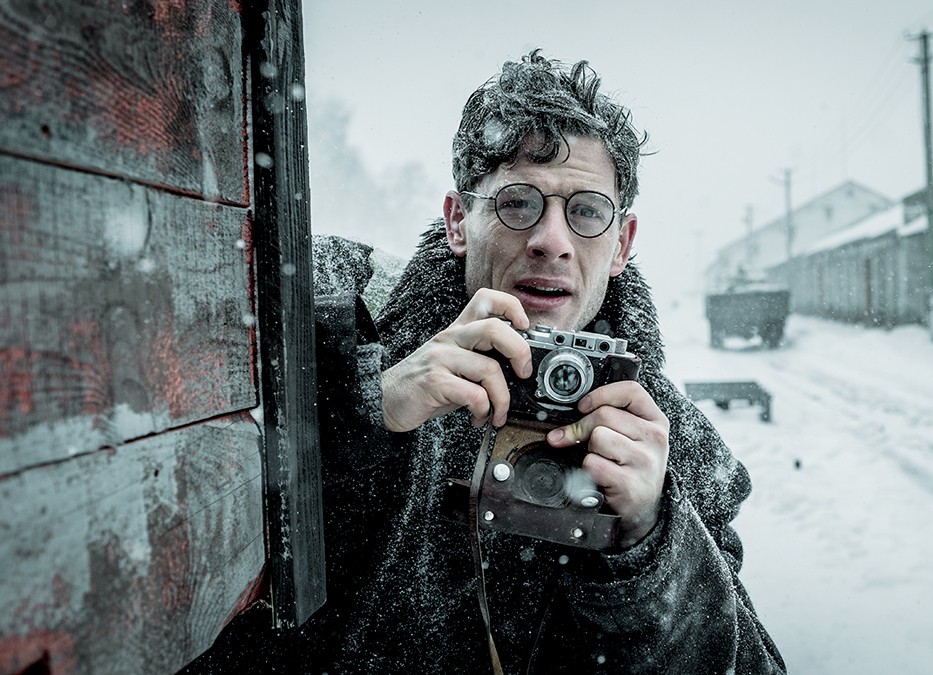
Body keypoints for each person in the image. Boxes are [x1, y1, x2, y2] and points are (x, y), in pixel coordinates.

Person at [193, 49, 786, 674]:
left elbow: (749, 665)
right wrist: (362, 402)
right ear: (458, 221)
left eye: (586, 212)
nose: (551, 241)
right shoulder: (343, 311)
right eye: (517, 204)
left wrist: (645, 541)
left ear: (622, 244)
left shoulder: (669, 444)